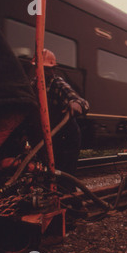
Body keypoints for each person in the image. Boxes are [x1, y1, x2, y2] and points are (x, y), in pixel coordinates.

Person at [31, 49, 89, 177]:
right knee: (45, 171)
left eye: (47, 69)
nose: (44, 72)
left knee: (63, 172)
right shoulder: (33, 85)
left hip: (65, 136)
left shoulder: (58, 84)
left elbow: (82, 102)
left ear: (53, 70)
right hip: (45, 134)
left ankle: (67, 191)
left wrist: (76, 104)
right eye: (40, 68)